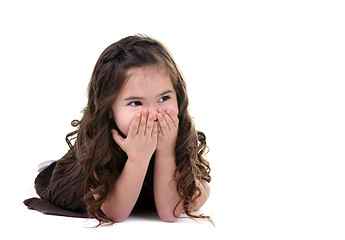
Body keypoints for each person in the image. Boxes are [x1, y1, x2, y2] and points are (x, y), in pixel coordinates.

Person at [24, 35, 211, 226]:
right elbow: (115, 213)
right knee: (75, 187)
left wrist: (166, 150)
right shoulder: (97, 138)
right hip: (98, 177)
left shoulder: (177, 128)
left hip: (157, 181)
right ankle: (56, 166)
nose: (154, 113)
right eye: (136, 103)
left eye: (164, 98)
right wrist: (138, 157)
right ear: (109, 110)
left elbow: (170, 212)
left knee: (199, 189)